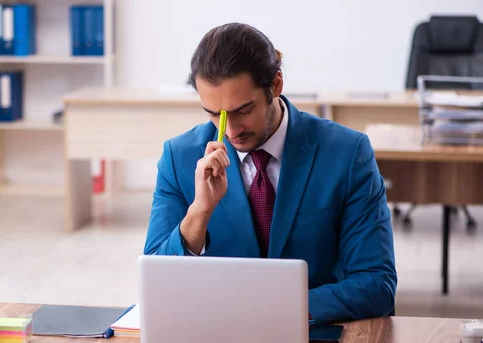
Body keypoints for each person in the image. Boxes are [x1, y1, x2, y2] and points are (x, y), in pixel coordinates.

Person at [143, 23, 397, 324]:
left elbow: (377, 284)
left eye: (244, 109)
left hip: (315, 335)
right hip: (217, 335)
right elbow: (155, 284)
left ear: (275, 85)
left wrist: (278, 310)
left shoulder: (347, 153)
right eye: (214, 113)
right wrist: (199, 212)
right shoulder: (179, 157)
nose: (232, 130)